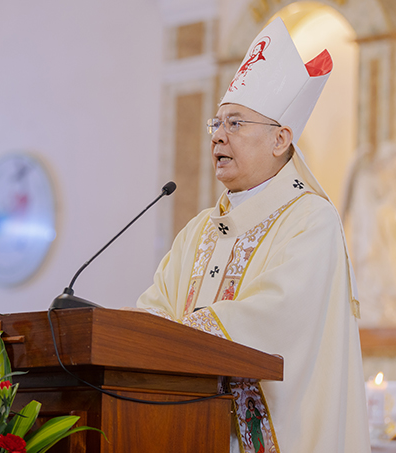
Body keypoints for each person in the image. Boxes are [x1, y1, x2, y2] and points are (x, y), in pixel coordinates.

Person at [136, 17, 370, 452]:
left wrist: (187, 333)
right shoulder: (198, 231)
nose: (218, 137)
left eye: (236, 124)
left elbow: (280, 315)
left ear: (280, 140)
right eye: (217, 124)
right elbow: (153, 312)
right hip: (186, 431)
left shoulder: (311, 220)